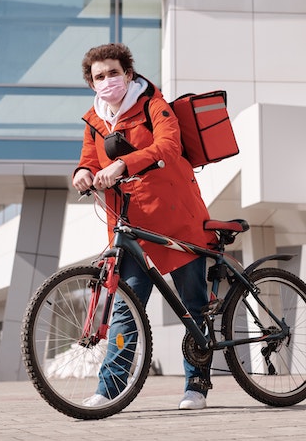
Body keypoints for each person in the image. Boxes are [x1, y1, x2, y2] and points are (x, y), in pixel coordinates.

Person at [72, 43, 215, 411]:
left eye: (113, 73)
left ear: (128, 74)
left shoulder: (153, 105)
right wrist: (84, 172)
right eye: (99, 76)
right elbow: (89, 158)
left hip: (175, 220)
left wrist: (124, 165)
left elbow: (169, 146)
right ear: (92, 83)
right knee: (125, 310)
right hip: (130, 228)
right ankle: (110, 389)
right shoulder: (94, 121)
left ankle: (195, 385)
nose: (107, 81)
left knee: (193, 306)